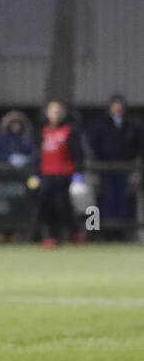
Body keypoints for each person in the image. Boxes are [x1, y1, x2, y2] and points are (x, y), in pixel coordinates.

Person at [87, 94, 140, 240]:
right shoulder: (101, 124)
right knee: (105, 199)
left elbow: (136, 144)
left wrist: (131, 159)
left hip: (124, 168)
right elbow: (94, 144)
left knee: (122, 199)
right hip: (104, 168)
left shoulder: (130, 124)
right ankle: (102, 231)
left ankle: (121, 231)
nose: (118, 108)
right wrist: (99, 160)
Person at [35, 99, 82, 248]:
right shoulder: (43, 132)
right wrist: (36, 175)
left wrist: (77, 175)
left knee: (63, 205)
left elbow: (78, 155)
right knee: (45, 205)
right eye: (52, 111)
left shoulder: (69, 131)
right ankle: (50, 237)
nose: (55, 115)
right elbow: (39, 155)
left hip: (63, 175)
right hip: (46, 175)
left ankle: (72, 234)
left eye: (58, 112)